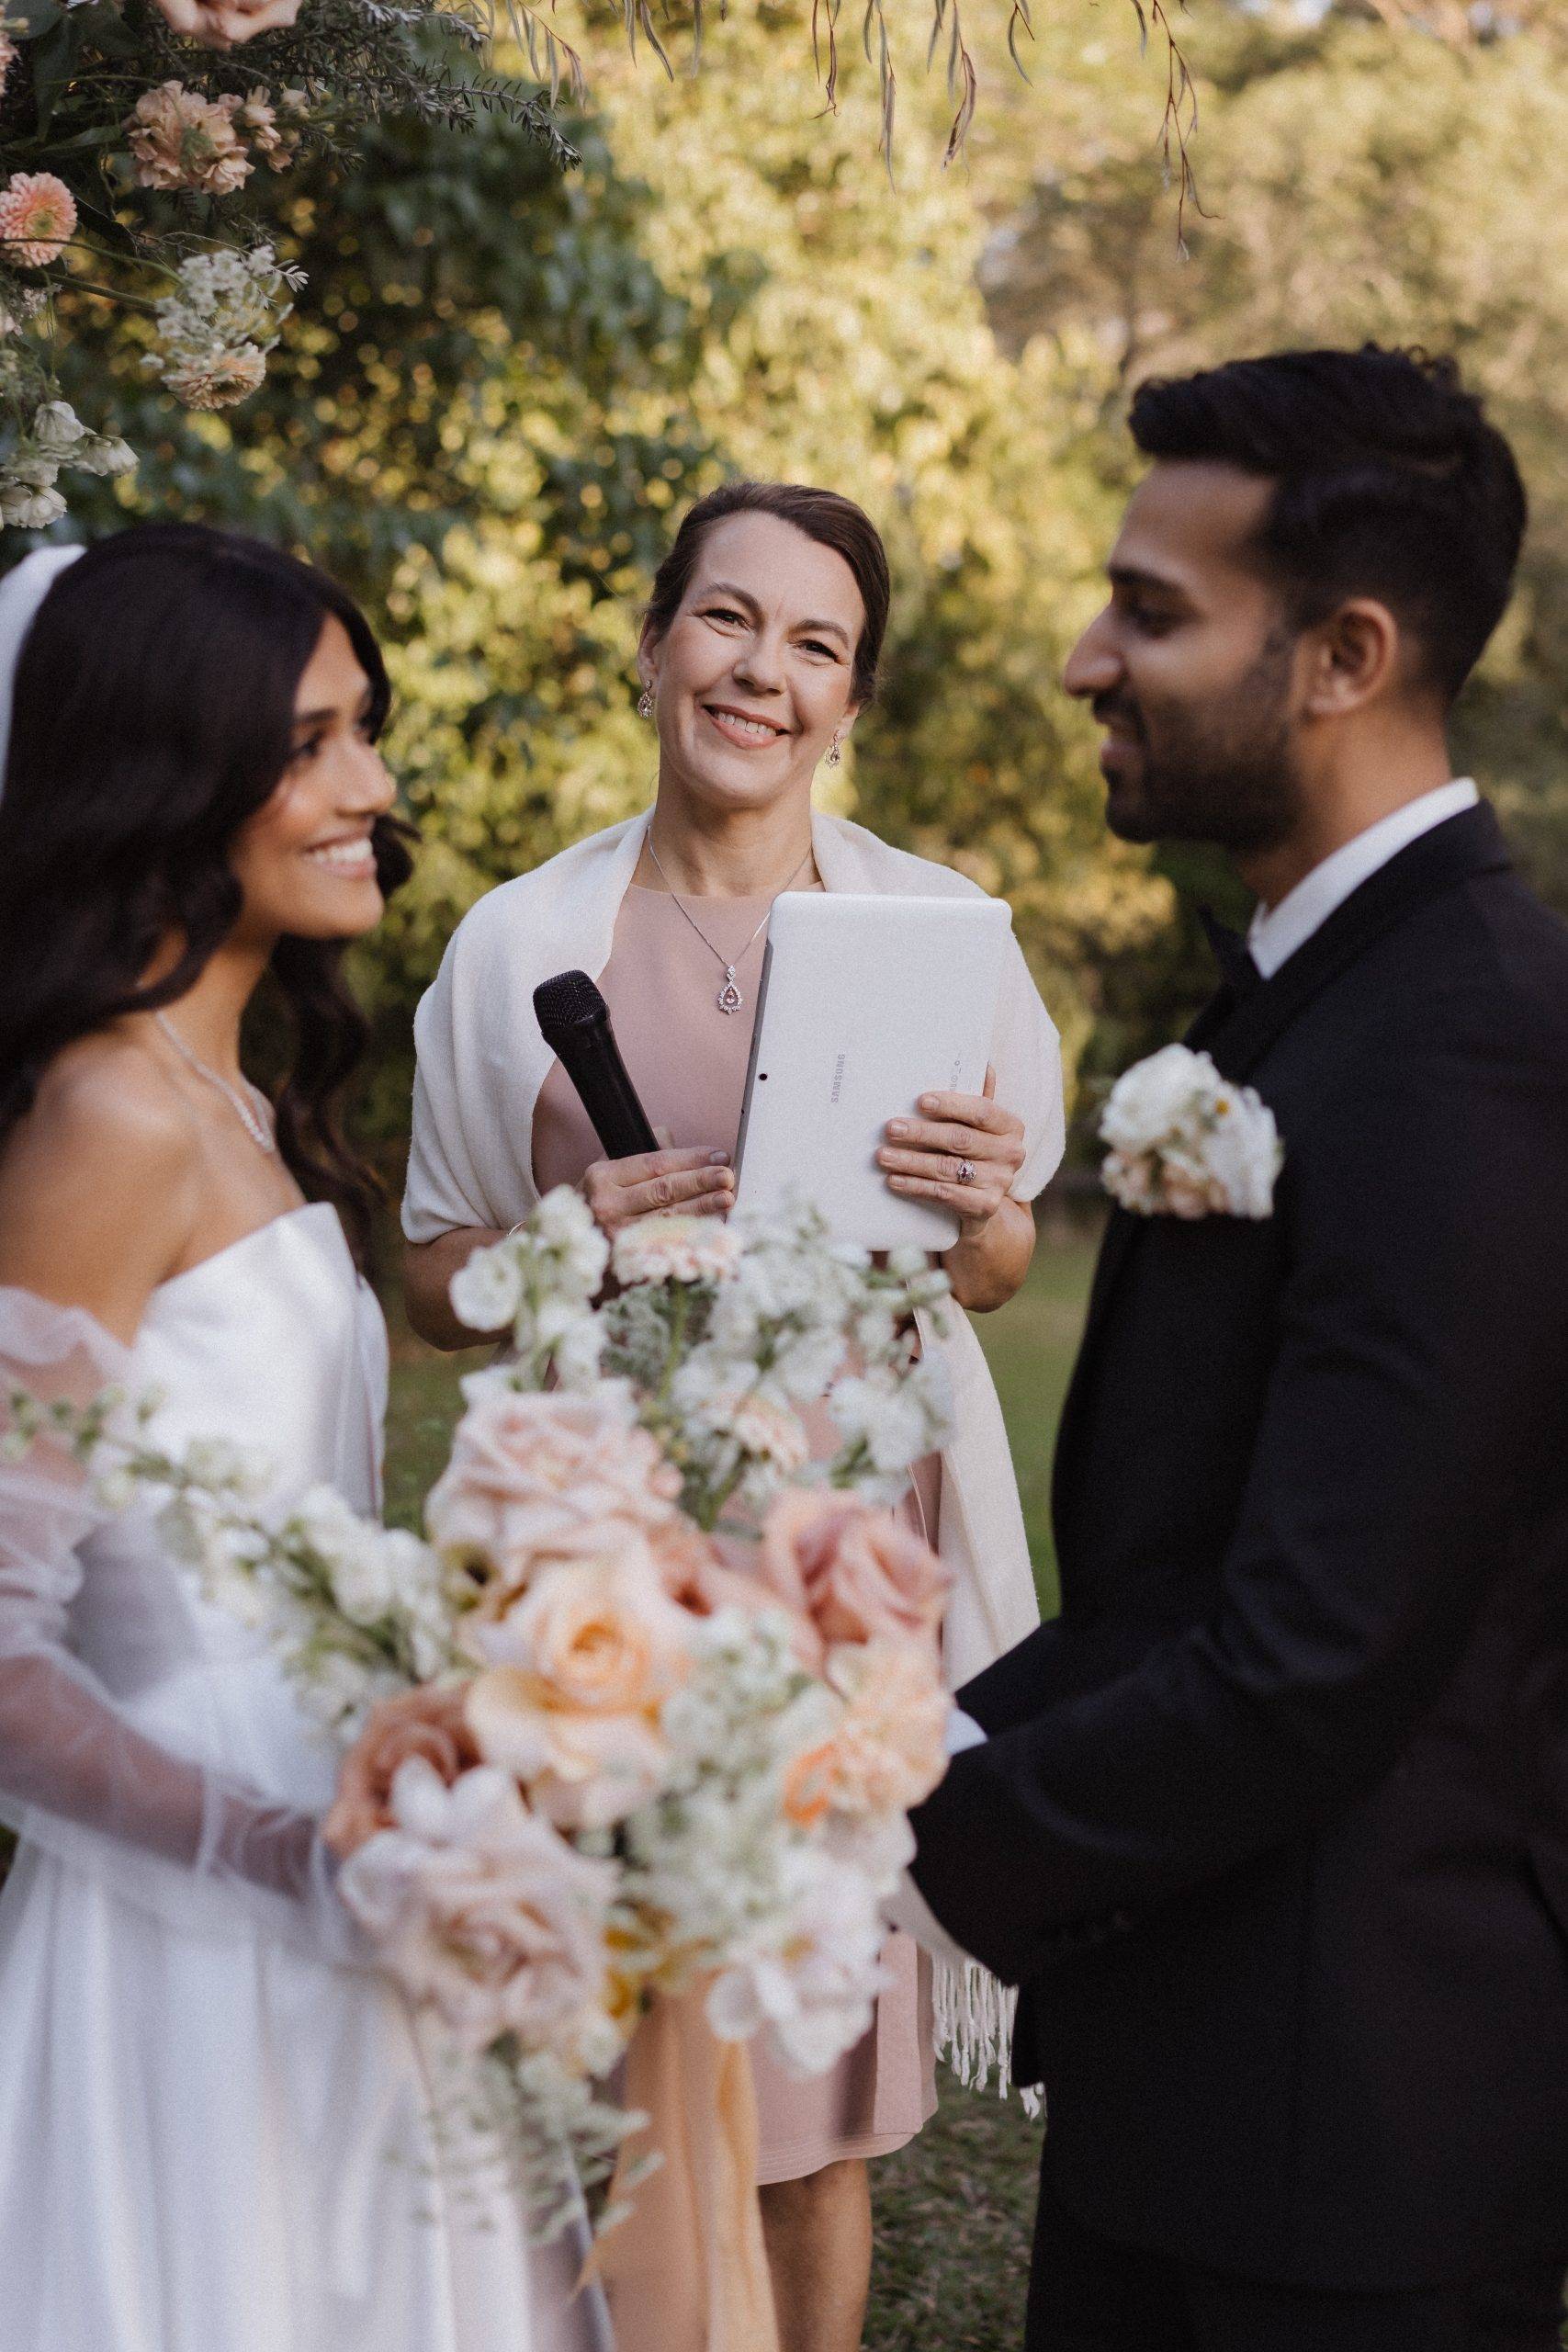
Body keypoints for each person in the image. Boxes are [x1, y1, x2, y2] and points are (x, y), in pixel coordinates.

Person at [898, 345, 1568, 2349]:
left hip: (1349, 2150)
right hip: (1194, 2071)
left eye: (1152, 611)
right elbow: (1184, 1559)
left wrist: (893, 1808)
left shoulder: (1468, 1033)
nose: (1088, 657)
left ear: (1342, 652)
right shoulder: (1300, 987)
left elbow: (1313, 1650)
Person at [401, 479, 1066, 2352]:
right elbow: (432, 1286)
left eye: (814, 643)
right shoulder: (514, 944)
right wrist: (558, 1243)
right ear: (651, 641)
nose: (759, 670)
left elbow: (992, 1265)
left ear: (850, 699)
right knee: (606, 2051)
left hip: (845, 1575)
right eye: (726, 619)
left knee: (801, 2095)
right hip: (607, 1578)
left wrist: (990, 1207)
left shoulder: (940, 935)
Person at [0, 526, 607, 2352]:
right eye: (313, 742)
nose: (371, 785)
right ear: (168, 779)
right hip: (185, 1926)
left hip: (360, 1852)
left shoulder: (242, 1097)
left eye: (367, 730)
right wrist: (289, 1853)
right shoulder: (114, 1116)